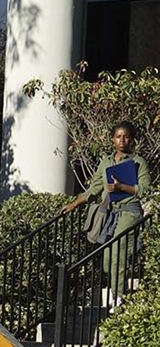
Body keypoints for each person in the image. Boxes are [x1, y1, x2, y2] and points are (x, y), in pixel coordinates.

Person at [60, 121, 151, 295]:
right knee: (108, 258)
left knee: (118, 252)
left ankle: (117, 297)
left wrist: (122, 187)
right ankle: (118, 291)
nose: (122, 140)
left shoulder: (138, 162)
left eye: (126, 136)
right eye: (118, 137)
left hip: (129, 210)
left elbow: (146, 189)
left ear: (131, 139)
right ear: (112, 140)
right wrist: (74, 204)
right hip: (110, 212)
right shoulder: (106, 162)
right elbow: (94, 188)